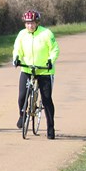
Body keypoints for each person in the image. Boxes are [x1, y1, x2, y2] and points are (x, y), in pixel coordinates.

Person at [12, 9, 60, 139]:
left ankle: (50, 128)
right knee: (22, 96)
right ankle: (22, 115)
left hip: (44, 70)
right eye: (27, 23)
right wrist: (16, 58)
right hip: (27, 69)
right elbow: (17, 49)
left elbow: (55, 49)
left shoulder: (46, 33)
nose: (30, 26)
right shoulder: (22, 34)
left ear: (37, 22)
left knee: (46, 99)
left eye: (32, 23)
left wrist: (50, 60)